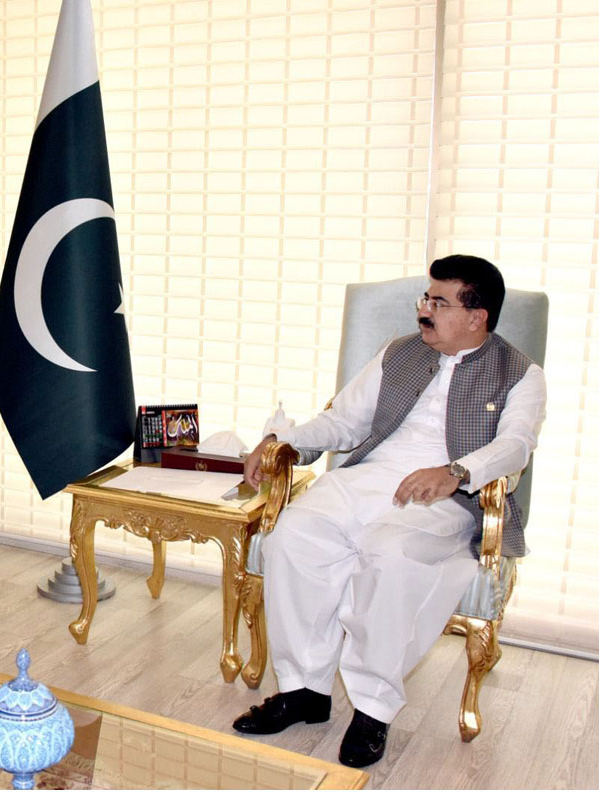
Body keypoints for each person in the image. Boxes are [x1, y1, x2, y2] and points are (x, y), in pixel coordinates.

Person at [232, 255, 546, 768]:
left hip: (448, 496)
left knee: (388, 551)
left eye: (439, 303)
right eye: (427, 298)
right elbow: (343, 423)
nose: (424, 311)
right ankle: (305, 690)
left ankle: (373, 712)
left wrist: (457, 472)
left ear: (476, 316)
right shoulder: (397, 353)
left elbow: (516, 445)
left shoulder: (521, 374)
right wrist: (279, 440)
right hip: (371, 476)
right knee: (294, 535)